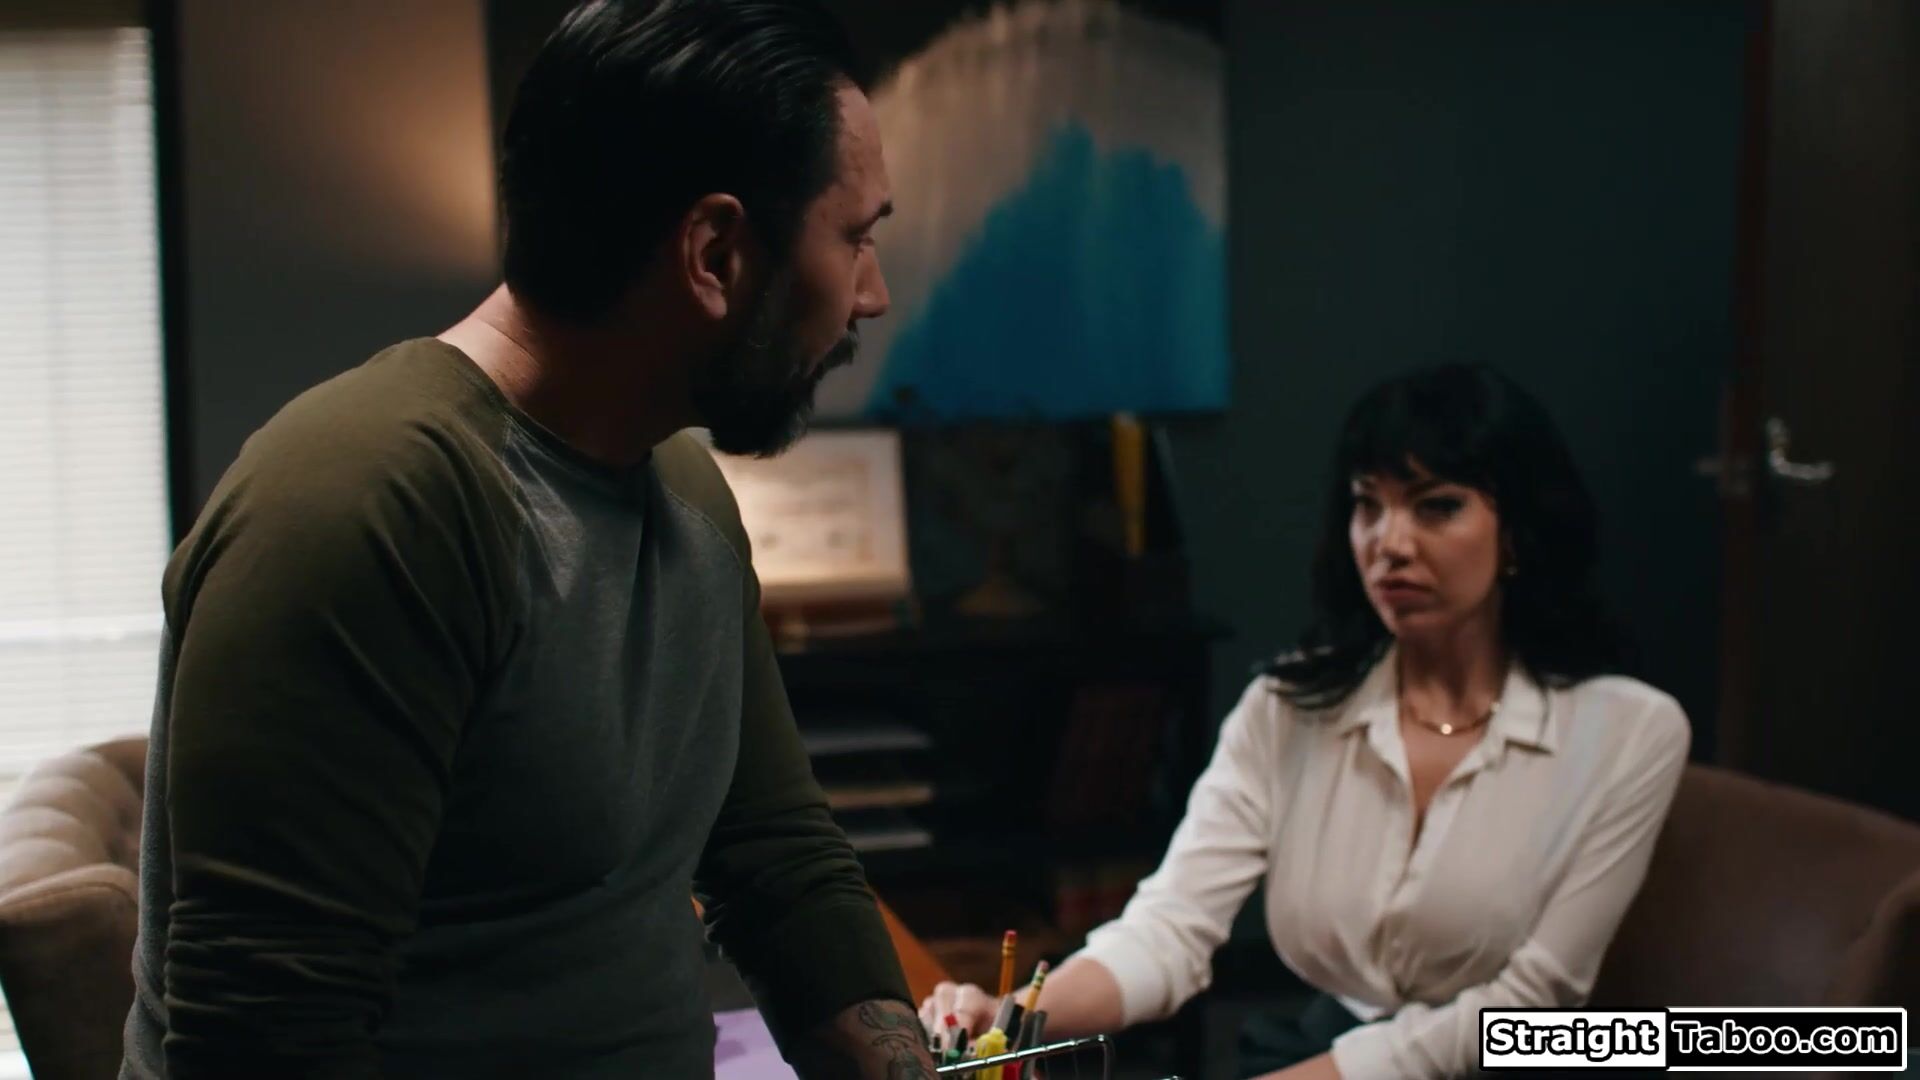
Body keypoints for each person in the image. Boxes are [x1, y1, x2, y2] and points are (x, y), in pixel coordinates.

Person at [120, 2, 934, 1077]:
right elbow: (267, 1042)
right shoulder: (367, 508)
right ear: (714, 252)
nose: (872, 295)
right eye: (856, 239)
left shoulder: (682, 489)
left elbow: (777, 860)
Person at [921, 365, 1691, 1080]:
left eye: (1437, 506)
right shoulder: (1289, 705)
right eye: (1368, 505)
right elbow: (1172, 926)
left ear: (1517, 530)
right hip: (1319, 1048)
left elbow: (1536, 1006)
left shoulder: (1631, 732)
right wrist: (1013, 1019)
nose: (1389, 543)